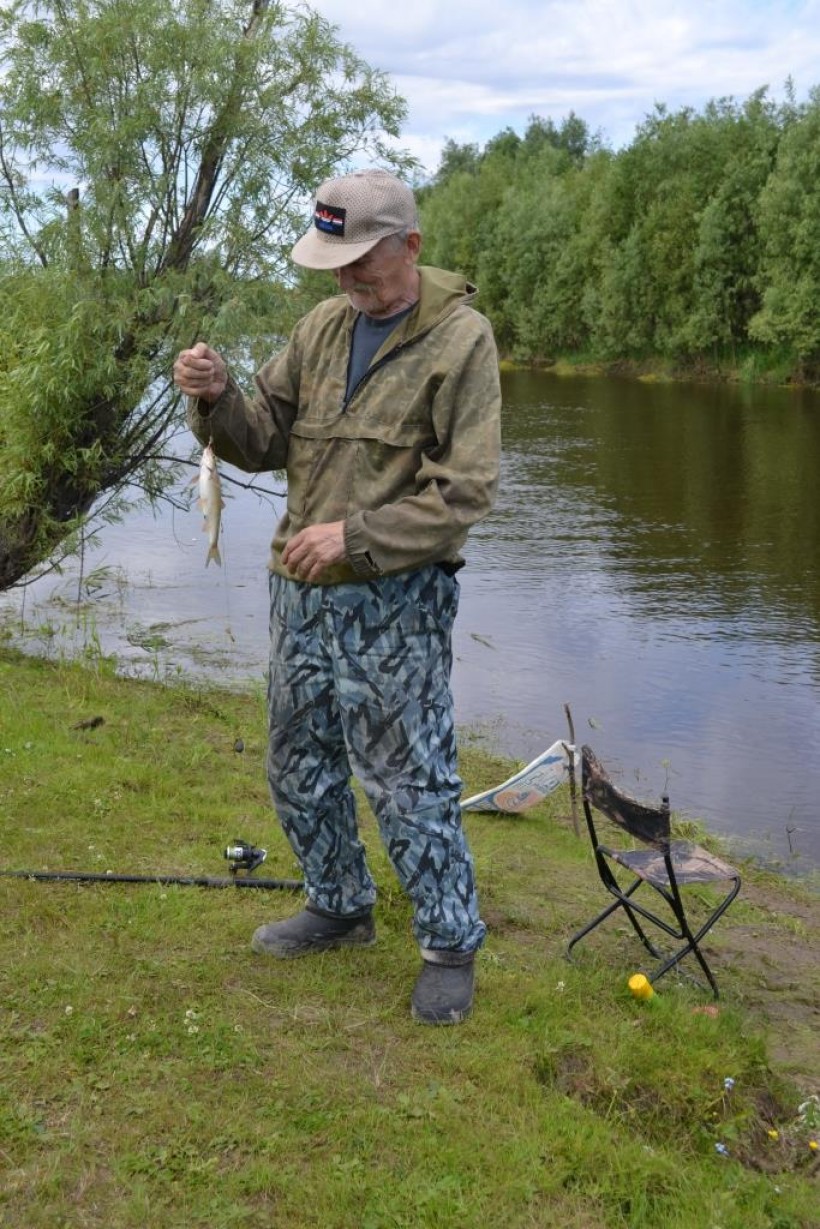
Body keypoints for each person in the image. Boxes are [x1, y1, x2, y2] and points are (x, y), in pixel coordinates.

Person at [173, 168, 501, 1024]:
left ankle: (449, 944)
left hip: (396, 603)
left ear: (410, 246)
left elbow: (464, 493)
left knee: (408, 779)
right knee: (296, 762)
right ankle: (339, 903)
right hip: (302, 596)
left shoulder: (462, 342)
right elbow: (260, 439)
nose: (347, 278)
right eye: (335, 263)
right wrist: (215, 396)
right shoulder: (321, 327)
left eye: (361, 261)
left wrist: (353, 538)